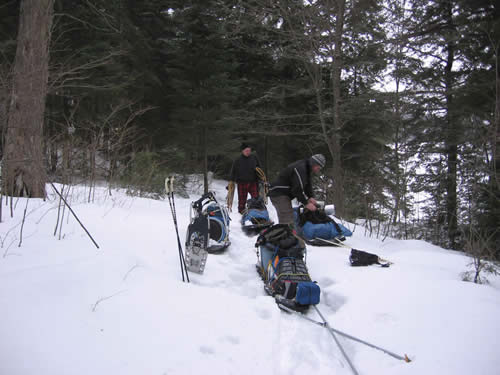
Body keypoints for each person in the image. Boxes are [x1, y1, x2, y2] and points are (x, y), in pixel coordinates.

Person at [268, 154, 325, 226]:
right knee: (287, 218)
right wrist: (306, 203)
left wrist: (311, 197)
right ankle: (284, 235)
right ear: (314, 163)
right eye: (318, 167)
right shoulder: (301, 168)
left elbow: (307, 184)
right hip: (278, 193)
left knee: (290, 218)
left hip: (283, 193)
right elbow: (296, 190)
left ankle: (288, 234)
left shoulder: (306, 168)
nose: (318, 170)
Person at [229, 143, 261, 214]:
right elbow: (233, 171)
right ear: (242, 151)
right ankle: (241, 213)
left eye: (249, 150)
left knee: (256, 198)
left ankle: (256, 212)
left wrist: (262, 180)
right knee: (242, 200)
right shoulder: (238, 160)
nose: (248, 152)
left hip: (253, 182)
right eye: (246, 150)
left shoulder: (254, 158)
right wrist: (231, 181)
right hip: (242, 182)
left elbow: (259, 169)